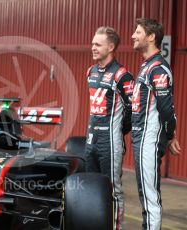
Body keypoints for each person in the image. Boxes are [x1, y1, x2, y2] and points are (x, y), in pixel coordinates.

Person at [131, 18, 181, 230]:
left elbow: (166, 109)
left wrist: (169, 135)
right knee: (145, 196)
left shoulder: (158, 68)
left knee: (150, 199)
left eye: (138, 31)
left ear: (151, 37)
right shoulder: (147, 66)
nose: (133, 35)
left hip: (148, 142)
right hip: (141, 140)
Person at [85, 26, 134, 230]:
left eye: (98, 44)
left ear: (111, 46)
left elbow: (133, 111)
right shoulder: (91, 71)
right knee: (90, 188)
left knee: (112, 191)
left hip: (110, 142)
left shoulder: (122, 75)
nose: (93, 47)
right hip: (91, 139)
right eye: (93, 43)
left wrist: (117, 133)